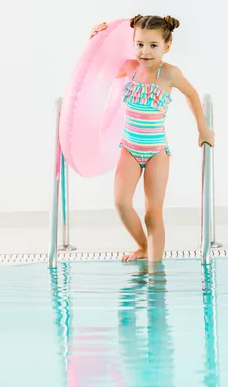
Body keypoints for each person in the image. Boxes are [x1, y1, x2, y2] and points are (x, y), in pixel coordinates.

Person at [90, 15, 214, 265]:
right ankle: (142, 245)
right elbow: (98, 71)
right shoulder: (129, 67)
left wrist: (203, 128)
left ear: (166, 47)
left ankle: (155, 271)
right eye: (140, 44)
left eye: (153, 45)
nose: (145, 51)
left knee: (152, 213)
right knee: (121, 202)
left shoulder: (169, 74)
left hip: (156, 151)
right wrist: (95, 40)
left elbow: (191, 95)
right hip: (129, 149)